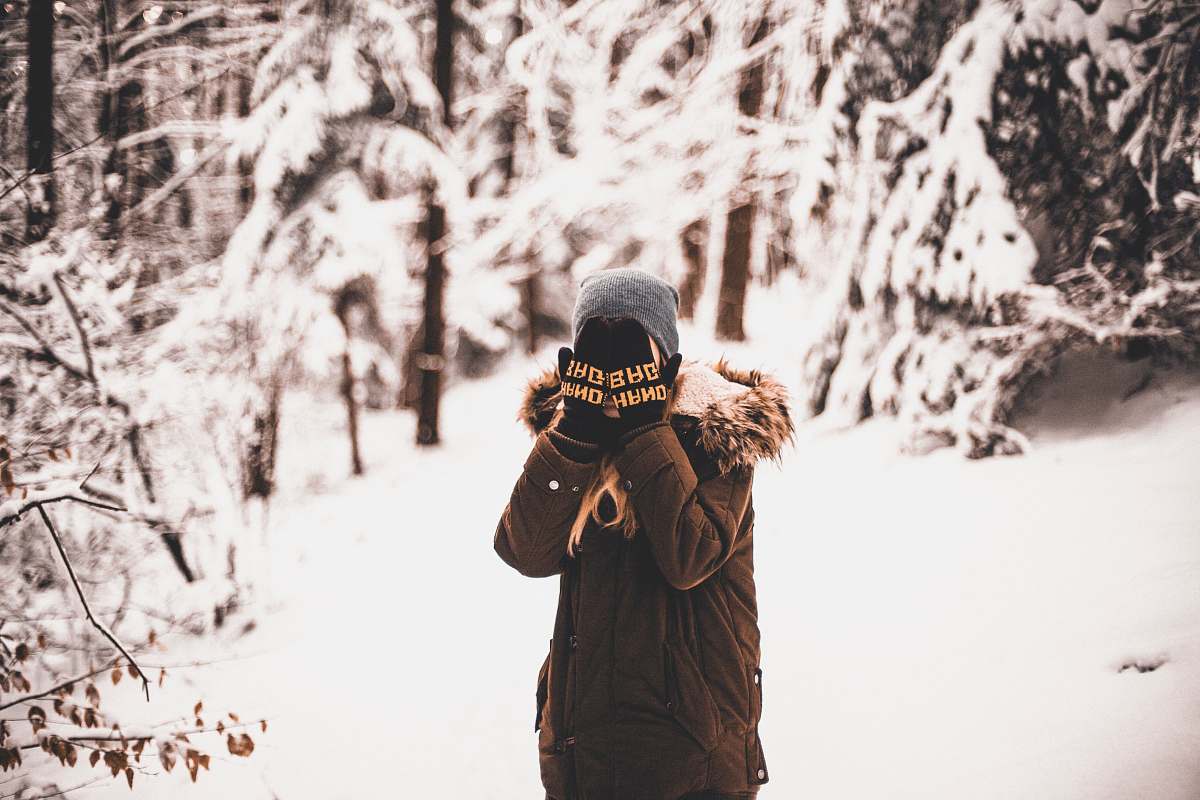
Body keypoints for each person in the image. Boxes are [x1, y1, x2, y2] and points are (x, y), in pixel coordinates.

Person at [494, 267, 794, 800]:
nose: (612, 374)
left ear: (666, 360)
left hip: (693, 751)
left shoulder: (716, 435)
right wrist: (576, 432)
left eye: (632, 355)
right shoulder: (575, 435)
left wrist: (643, 426)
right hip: (584, 746)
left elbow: (690, 557)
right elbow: (525, 551)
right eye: (597, 354)